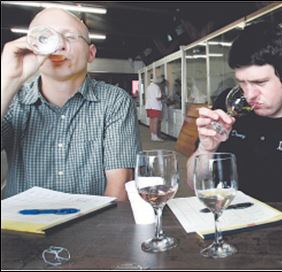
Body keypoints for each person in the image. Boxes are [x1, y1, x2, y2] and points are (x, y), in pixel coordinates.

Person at [1, 8, 140, 201]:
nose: (58, 46)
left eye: (69, 37)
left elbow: (119, 187)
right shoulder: (13, 101)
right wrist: (7, 81)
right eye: (46, 37)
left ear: (90, 54)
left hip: (92, 225)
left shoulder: (114, 101)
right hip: (20, 228)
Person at [187, 21, 282, 202]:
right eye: (242, 82)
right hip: (230, 219)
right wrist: (207, 148)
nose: (249, 95)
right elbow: (193, 185)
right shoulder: (227, 105)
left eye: (260, 83)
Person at [145, 75, 164, 141]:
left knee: (151, 121)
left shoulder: (148, 87)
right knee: (155, 121)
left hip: (149, 106)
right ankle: (155, 136)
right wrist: (163, 97)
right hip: (155, 106)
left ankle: (152, 135)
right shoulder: (156, 87)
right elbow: (158, 97)